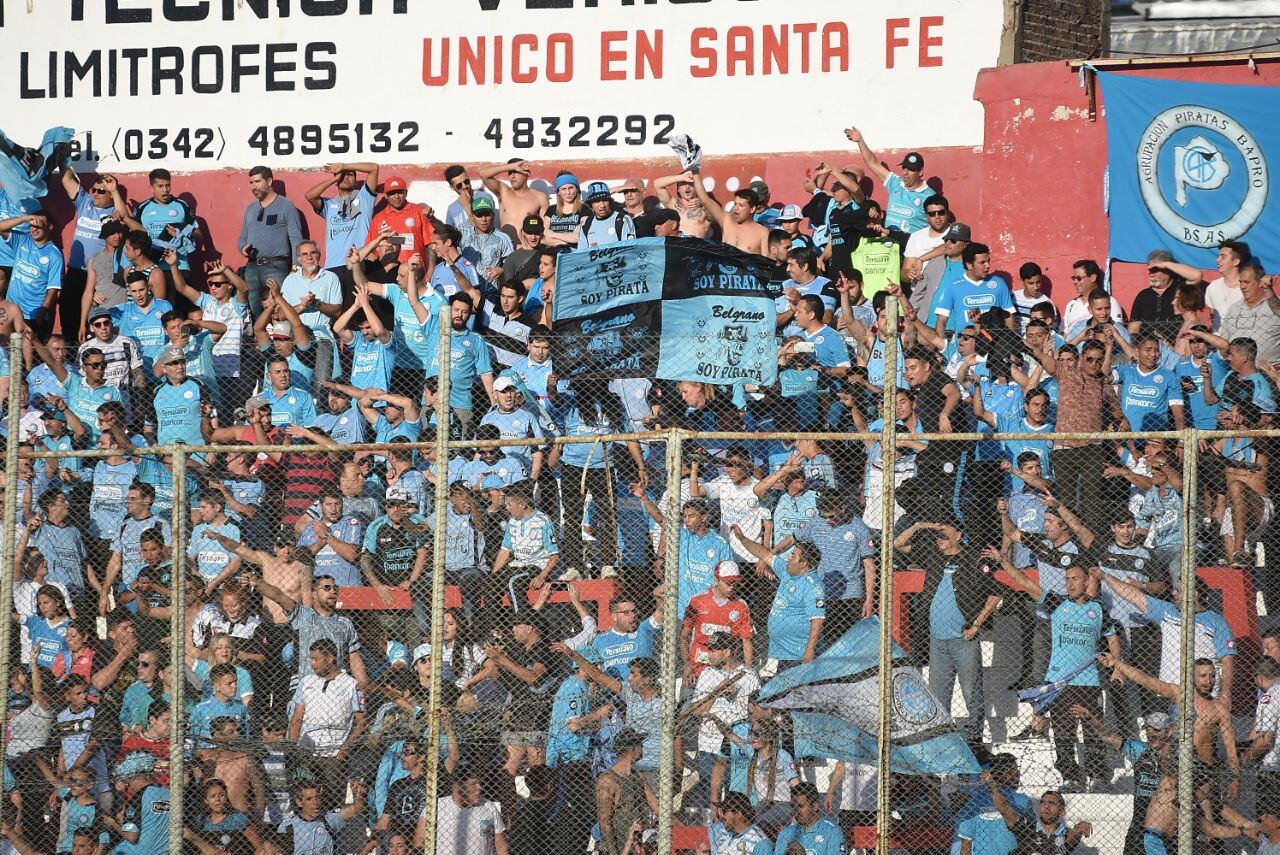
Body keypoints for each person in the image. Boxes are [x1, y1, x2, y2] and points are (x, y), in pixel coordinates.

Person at [993, 557, 1119, 790]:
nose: (1070, 584)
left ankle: (1098, 776)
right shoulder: (1057, 603)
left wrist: (1117, 665)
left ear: (1087, 581)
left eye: (1075, 579)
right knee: (1063, 733)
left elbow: (1111, 635)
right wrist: (1003, 562)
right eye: (1067, 579)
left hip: (1089, 681)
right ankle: (1071, 776)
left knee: (1093, 732)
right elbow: (1026, 583)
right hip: (1059, 681)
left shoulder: (1098, 609)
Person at [894, 518, 1001, 738]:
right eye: (938, 535)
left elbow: (995, 593)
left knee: (971, 691)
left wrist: (976, 624)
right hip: (937, 640)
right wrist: (919, 526)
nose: (939, 538)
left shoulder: (974, 559)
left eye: (944, 534)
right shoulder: (933, 556)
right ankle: (942, 737)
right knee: (938, 694)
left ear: (959, 535)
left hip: (964, 639)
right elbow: (898, 545)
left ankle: (974, 737)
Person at [237, 165, 304, 318]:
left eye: (257, 182)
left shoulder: (286, 206)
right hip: (252, 267)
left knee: (278, 309)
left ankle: (281, 341)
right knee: (254, 309)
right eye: (251, 183)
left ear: (269, 181)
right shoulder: (250, 209)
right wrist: (242, 248)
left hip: (276, 266)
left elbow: (296, 239)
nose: (254, 186)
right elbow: (242, 238)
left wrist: (295, 267)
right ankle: (258, 341)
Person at [304, 161, 380, 284]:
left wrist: (344, 167)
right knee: (336, 303)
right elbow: (310, 196)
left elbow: (374, 168)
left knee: (360, 302)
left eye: (350, 175)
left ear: (356, 180)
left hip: (358, 262)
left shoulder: (364, 198)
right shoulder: (329, 204)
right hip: (333, 266)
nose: (346, 177)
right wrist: (335, 178)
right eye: (342, 175)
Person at [415, 766, 507, 855]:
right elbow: (419, 841)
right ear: (458, 788)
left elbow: (500, 844)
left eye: (479, 783)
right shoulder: (436, 807)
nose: (479, 787)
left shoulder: (488, 806)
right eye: (473, 784)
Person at [595, 729, 657, 855]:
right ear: (632, 749)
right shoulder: (608, 781)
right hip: (618, 848)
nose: (643, 747)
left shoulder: (637, 776)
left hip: (636, 846)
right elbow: (605, 822)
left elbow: (655, 804)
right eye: (640, 744)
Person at [689, 170, 769, 255]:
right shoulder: (727, 220)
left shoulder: (762, 232)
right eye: (735, 204)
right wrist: (694, 169)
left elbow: (766, 262)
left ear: (752, 209)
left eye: (741, 205)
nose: (736, 208)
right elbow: (705, 200)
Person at [774, 782, 845, 855]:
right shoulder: (786, 833)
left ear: (815, 806)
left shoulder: (832, 832)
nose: (796, 811)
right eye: (793, 806)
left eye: (800, 806)